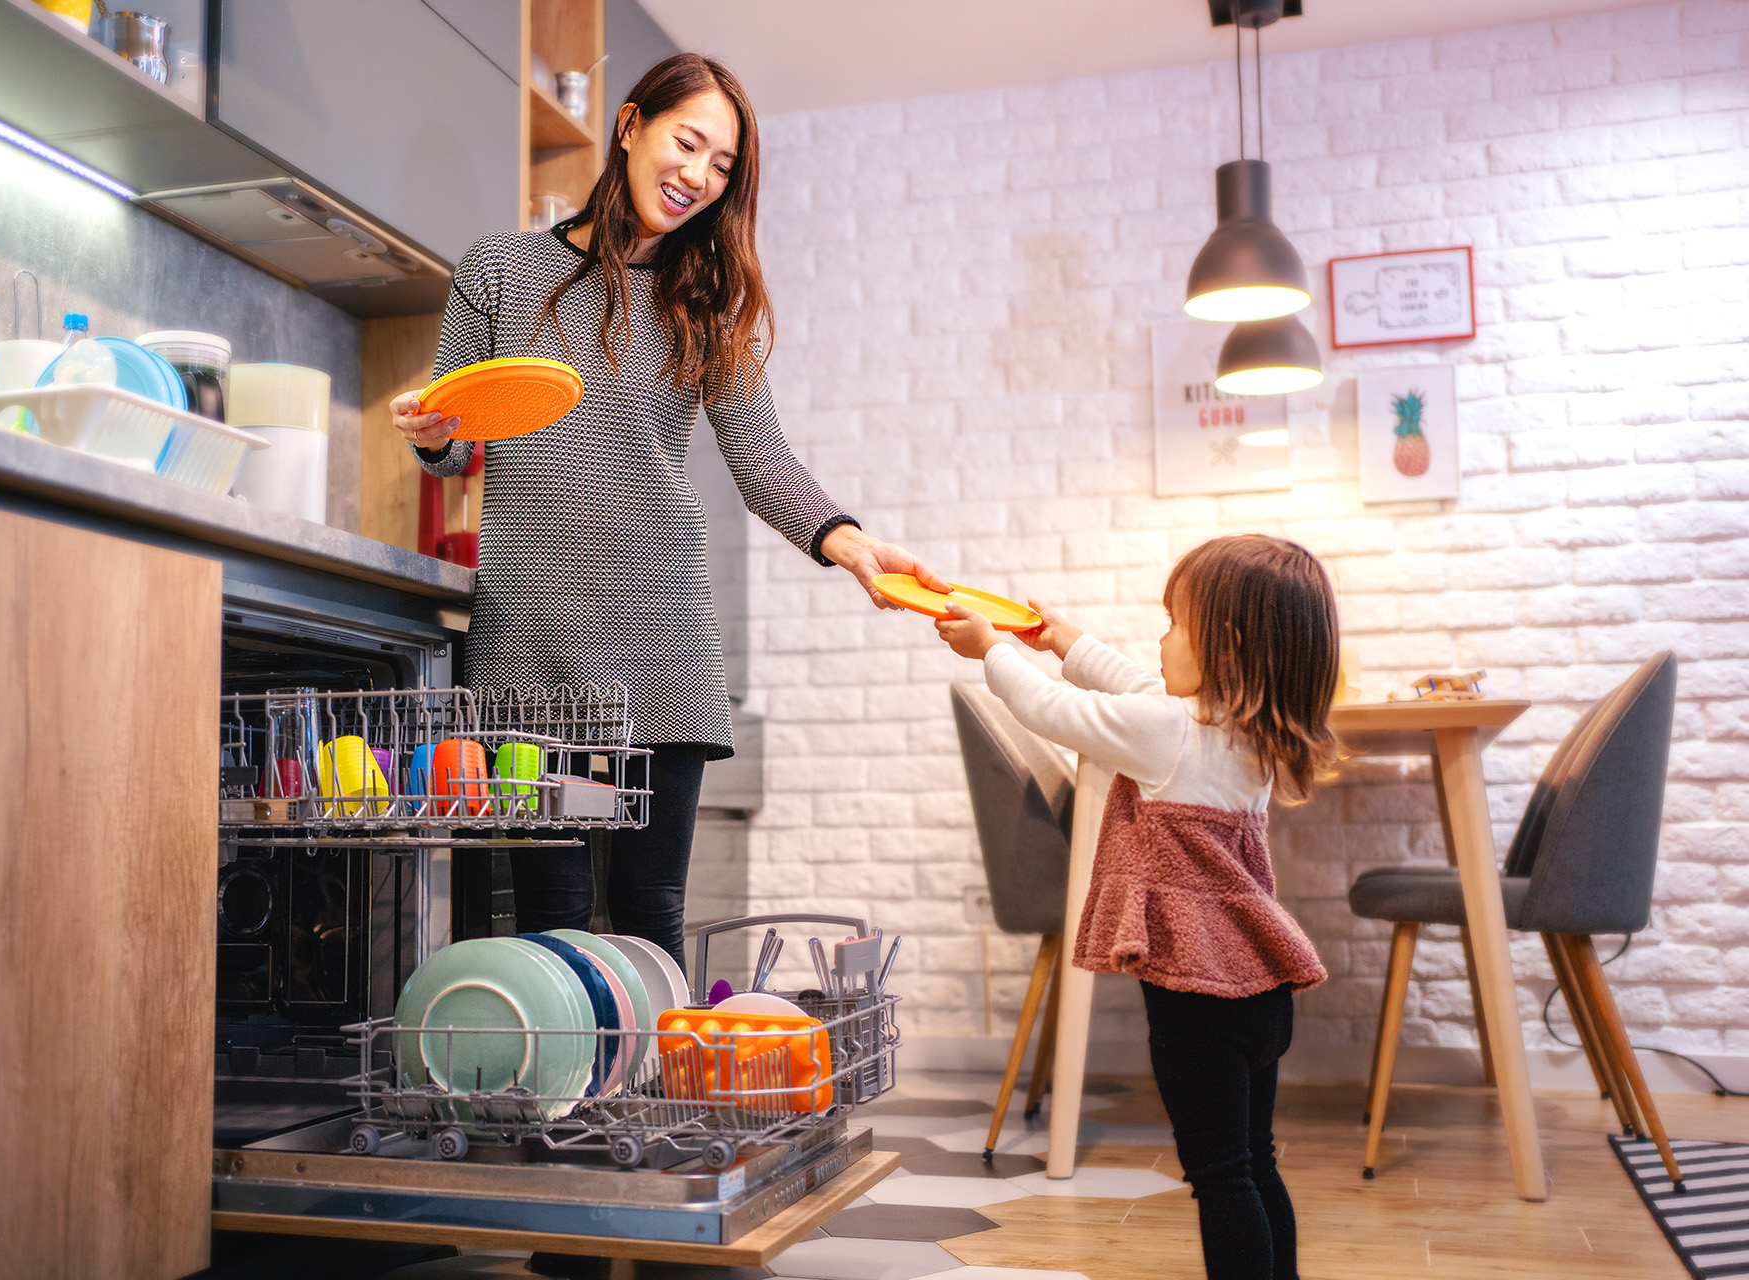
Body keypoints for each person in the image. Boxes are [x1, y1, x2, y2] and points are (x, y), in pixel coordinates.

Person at [389, 53, 943, 974]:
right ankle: (551, 1113)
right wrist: (428, 430)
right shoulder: (499, 270)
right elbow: (456, 443)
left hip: (661, 623)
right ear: (630, 124)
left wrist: (846, 542)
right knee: (550, 909)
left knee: (649, 909)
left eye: (723, 166)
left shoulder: (708, 304)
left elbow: (758, 456)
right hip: (536, 626)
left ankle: (644, 1110)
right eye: (688, 143)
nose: (699, 176)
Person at [935, 534, 1337, 1280]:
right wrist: (1064, 639)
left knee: (1219, 1178)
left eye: (1175, 623)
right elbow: (1135, 686)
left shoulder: (1170, 734)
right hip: (1260, 989)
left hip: (1196, 999)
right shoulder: (1249, 733)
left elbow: (1056, 711)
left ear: (1225, 642)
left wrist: (993, 651)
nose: (1161, 638)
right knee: (1255, 1163)